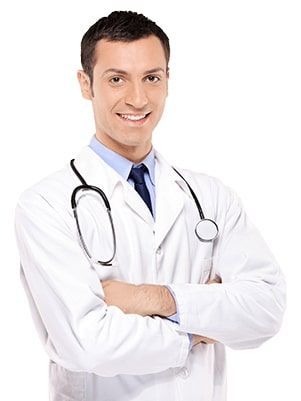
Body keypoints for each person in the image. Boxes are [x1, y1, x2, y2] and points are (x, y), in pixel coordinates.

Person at [15, 10, 286, 401]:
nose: (138, 99)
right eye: (116, 79)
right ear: (85, 84)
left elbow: (266, 309)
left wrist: (151, 298)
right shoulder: (46, 205)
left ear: (168, 81)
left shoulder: (211, 196)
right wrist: (204, 324)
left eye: (152, 78)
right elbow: (88, 343)